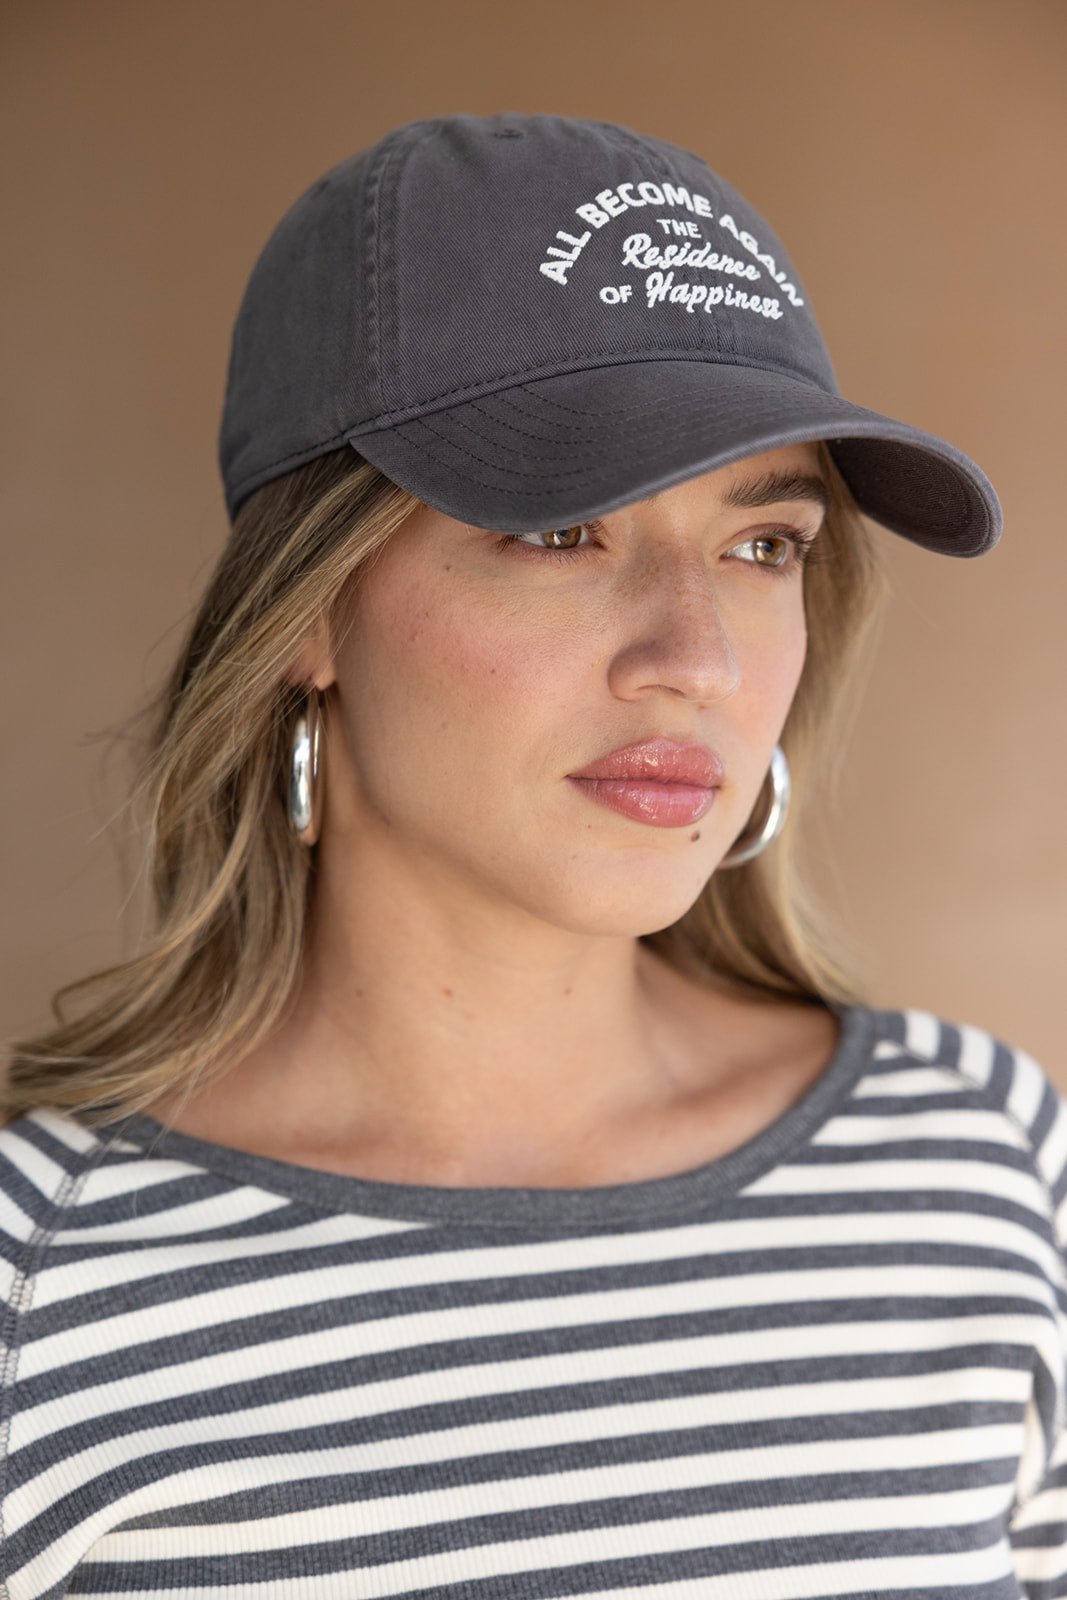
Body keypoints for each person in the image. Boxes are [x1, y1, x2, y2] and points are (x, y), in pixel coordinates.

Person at [0, 113, 1061, 1599]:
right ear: (305, 611)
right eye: (563, 531)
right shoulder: (41, 1277)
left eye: (764, 545)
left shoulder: (980, 1156)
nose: (697, 660)